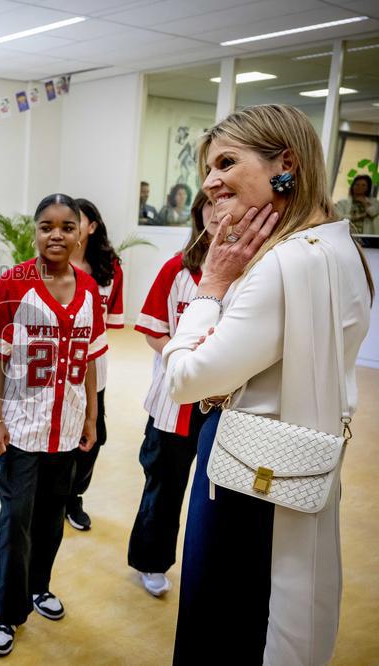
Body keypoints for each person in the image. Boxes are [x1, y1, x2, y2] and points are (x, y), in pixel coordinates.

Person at [166, 105, 373, 665]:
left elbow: (184, 379)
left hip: (244, 473)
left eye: (227, 162)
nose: (209, 181)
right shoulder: (342, 249)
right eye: (208, 167)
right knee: (269, 613)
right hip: (299, 459)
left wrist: (211, 284)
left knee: (223, 619)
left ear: (287, 163)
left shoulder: (282, 264)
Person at [0, 194, 107, 658]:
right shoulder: (14, 284)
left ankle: (39, 587)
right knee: (17, 522)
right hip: (21, 429)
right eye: (47, 226)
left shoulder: (90, 289)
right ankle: (6, 613)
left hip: (67, 429)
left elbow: (90, 360)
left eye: (67, 227)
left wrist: (90, 416)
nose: (57, 235)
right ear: (35, 231)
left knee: (51, 519)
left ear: (82, 232)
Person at [127, 190, 217, 597]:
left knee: (217, 497)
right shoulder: (176, 270)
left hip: (225, 405)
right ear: (198, 214)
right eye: (210, 205)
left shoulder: (254, 274)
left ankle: (210, 569)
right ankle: (151, 561)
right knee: (164, 488)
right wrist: (185, 361)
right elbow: (152, 330)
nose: (219, 213)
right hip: (173, 404)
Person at [67, 198, 124, 531]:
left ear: (92, 227)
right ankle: (53, 496)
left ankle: (74, 496)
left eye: (77, 220)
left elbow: (111, 321)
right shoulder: (49, 264)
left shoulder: (110, 267)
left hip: (92, 367)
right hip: (54, 368)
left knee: (93, 435)